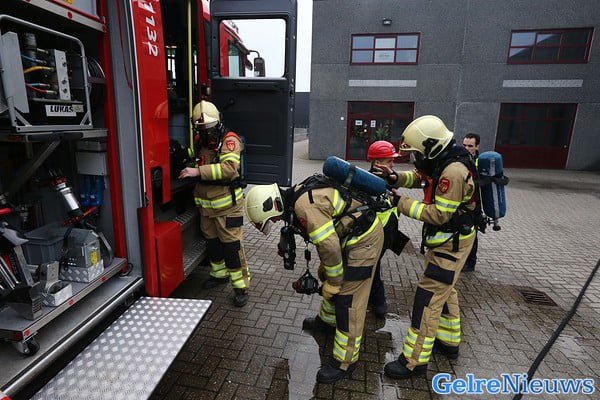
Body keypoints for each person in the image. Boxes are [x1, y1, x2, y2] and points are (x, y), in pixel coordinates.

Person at [244, 179, 384, 383]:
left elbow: (329, 246)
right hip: (347, 236)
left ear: (272, 205)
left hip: (364, 242)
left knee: (349, 300)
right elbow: (327, 241)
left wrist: (334, 283)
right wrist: (329, 276)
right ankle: (327, 322)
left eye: (273, 218)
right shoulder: (294, 198)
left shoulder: (304, 207)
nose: (275, 221)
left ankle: (345, 362)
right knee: (327, 275)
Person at [373, 116, 477, 379]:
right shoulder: (442, 160)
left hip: (451, 243)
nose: (416, 159)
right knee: (445, 290)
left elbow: (439, 214)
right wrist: (394, 177)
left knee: (427, 299)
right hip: (448, 240)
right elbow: (421, 179)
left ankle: (414, 361)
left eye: (418, 153)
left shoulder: (453, 171)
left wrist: (400, 203)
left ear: (431, 147)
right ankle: (449, 341)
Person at [179, 100, 250, 307]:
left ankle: (240, 287)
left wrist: (197, 171)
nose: (206, 132)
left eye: (209, 128)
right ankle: (219, 275)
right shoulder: (200, 139)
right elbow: (198, 159)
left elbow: (229, 169)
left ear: (218, 123)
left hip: (227, 206)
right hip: (206, 207)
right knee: (212, 244)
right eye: (201, 128)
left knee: (232, 247)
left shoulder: (229, 140)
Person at [366, 141, 402, 318]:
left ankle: (378, 303)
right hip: (381, 233)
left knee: (371, 267)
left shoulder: (380, 180)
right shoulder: (372, 181)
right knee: (373, 267)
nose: (393, 164)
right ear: (377, 162)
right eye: (389, 161)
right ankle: (377, 302)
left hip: (382, 233)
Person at [462, 133, 480, 271]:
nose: (467, 148)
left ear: (477, 147)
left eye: (470, 146)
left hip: (475, 203)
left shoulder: (479, 162)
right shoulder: (462, 160)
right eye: (464, 145)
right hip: (465, 201)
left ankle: (470, 263)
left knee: (473, 233)